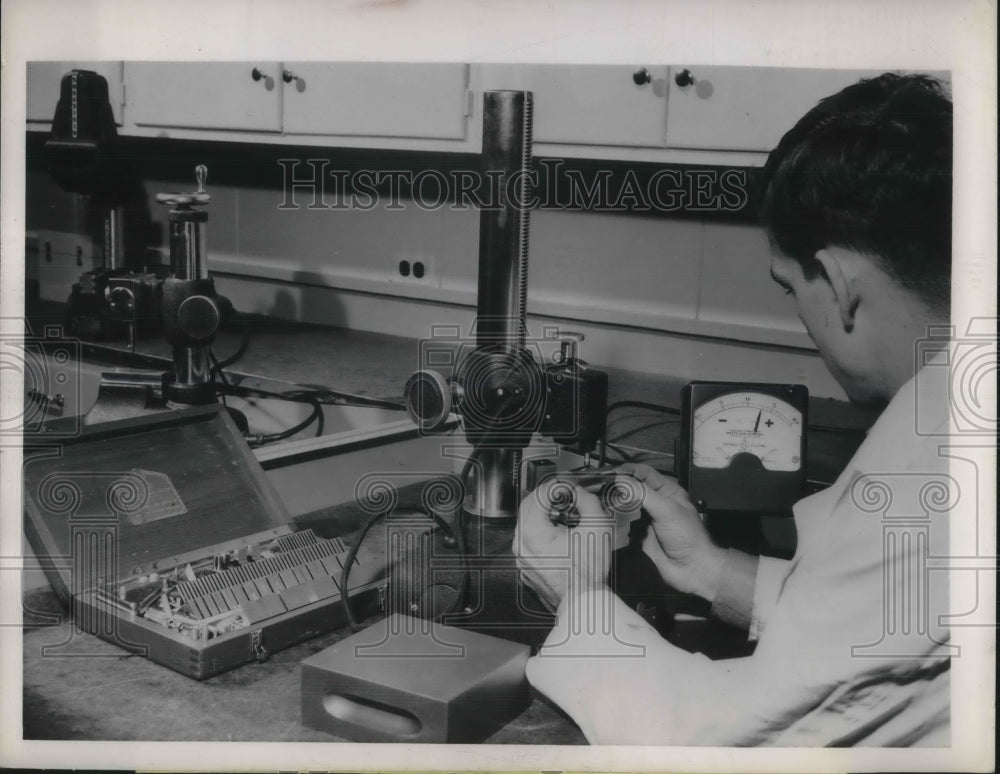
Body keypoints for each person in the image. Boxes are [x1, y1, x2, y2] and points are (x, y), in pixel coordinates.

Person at [513, 73, 954, 746]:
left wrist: (577, 597)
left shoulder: (929, 467)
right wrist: (715, 573)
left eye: (789, 288)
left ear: (838, 286)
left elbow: (720, 740)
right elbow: (900, 640)